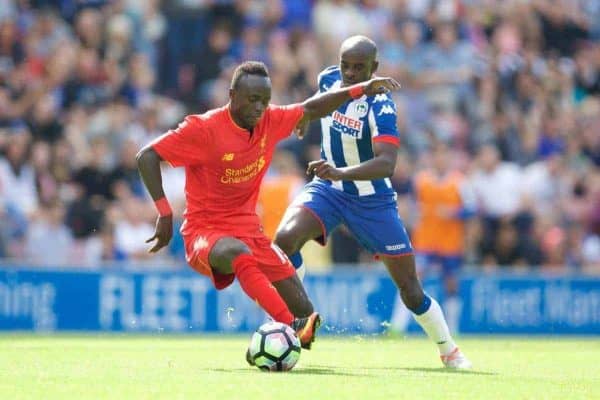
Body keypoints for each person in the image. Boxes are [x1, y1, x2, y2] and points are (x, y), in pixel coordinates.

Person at [136, 61, 400, 355]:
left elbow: (312, 108)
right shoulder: (203, 129)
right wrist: (164, 212)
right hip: (205, 233)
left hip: (251, 233)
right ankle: (289, 326)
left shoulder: (270, 120)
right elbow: (146, 157)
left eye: (264, 100)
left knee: (306, 312)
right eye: (252, 99)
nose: (259, 108)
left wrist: (361, 89)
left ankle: (284, 342)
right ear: (232, 94)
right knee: (238, 254)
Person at [274, 36, 472, 369]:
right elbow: (315, 103)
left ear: (374, 69)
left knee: (411, 290)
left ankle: (448, 349)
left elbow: (387, 163)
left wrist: (340, 170)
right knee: (283, 241)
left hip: (372, 202)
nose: (350, 73)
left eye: (359, 68)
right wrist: (304, 117)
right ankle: (297, 318)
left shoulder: (382, 105)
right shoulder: (327, 79)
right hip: (327, 189)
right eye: (345, 65)